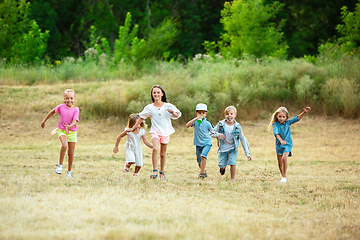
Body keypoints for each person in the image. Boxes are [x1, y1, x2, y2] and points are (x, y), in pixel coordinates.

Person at [127, 85, 181, 180]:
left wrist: (173, 113)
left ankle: (161, 172)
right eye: (154, 93)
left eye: (158, 92)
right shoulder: (149, 107)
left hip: (165, 132)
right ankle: (154, 171)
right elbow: (141, 118)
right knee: (155, 148)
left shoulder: (168, 106)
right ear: (152, 94)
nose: (156, 94)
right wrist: (133, 128)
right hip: (155, 131)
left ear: (162, 94)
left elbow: (177, 114)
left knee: (162, 154)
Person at [41, 89, 79, 178]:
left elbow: (74, 121)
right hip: (62, 130)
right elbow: (52, 112)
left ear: (74, 99)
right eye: (67, 98)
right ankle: (60, 165)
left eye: (71, 98)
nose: (69, 100)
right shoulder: (60, 107)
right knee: (64, 146)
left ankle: (69, 171)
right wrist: (44, 121)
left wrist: (69, 126)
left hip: (72, 132)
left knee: (71, 154)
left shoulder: (76, 109)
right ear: (64, 99)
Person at [267, 106, 311, 183]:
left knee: (284, 158)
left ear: (286, 117)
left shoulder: (288, 123)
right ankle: (283, 176)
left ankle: (284, 176)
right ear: (276, 116)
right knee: (280, 162)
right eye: (280, 116)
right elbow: (276, 133)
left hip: (288, 143)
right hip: (279, 144)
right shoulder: (275, 124)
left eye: (283, 117)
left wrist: (304, 112)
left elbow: (297, 118)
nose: (281, 118)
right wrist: (281, 141)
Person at [210, 106, 251, 181]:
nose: (229, 115)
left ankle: (232, 179)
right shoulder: (220, 124)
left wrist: (247, 153)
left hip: (233, 148)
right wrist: (218, 135)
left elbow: (243, 139)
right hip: (223, 148)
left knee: (233, 163)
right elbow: (211, 132)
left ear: (235, 115)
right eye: (227, 114)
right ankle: (222, 167)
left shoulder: (237, 127)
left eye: (231, 114)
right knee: (221, 165)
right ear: (225, 115)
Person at [185, 103, 213, 178]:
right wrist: (196, 118)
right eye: (199, 113)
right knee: (199, 160)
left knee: (203, 156)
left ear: (206, 114)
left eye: (203, 113)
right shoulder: (195, 122)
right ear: (196, 113)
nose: (201, 115)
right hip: (198, 144)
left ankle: (202, 173)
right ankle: (203, 171)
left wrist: (218, 139)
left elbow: (213, 132)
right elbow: (187, 125)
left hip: (207, 143)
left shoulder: (208, 123)